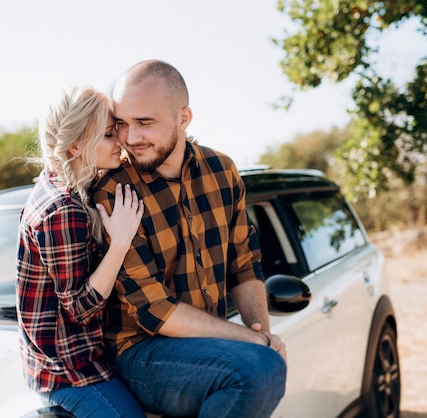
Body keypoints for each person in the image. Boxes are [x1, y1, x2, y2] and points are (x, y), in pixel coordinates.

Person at [92, 60, 288, 417]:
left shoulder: (223, 171)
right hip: (140, 350)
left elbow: (244, 266)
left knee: (263, 365)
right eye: (122, 124)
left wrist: (263, 334)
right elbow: (155, 310)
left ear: (183, 119)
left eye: (145, 123)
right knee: (256, 372)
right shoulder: (114, 191)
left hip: (209, 345)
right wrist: (253, 343)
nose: (131, 138)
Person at [15, 86, 146, 418]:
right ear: (75, 144)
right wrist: (120, 242)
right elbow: (80, 308)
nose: (120, 140)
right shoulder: (64, 209)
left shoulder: (61, 186)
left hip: (59, 364)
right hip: (70, 371)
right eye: (107, 134)